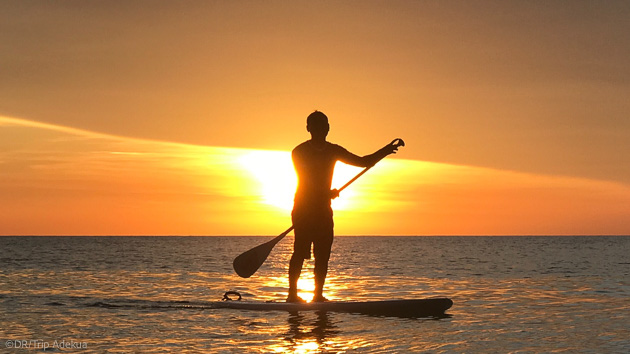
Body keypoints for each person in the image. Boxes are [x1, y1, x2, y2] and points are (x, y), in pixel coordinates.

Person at [288, 110, 401, 303]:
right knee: (300, 251)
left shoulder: (334, 150)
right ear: (309, 129)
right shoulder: (299, 152)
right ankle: (292, 295)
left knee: (323, 254)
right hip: (304, 210)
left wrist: (385, 150)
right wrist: (326, 193)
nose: (322, 129)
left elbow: (363, 162)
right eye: (317, 125)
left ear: (328, 128)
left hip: (323, 211)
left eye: (325, 125)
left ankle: (318, 296)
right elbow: (306, 181)